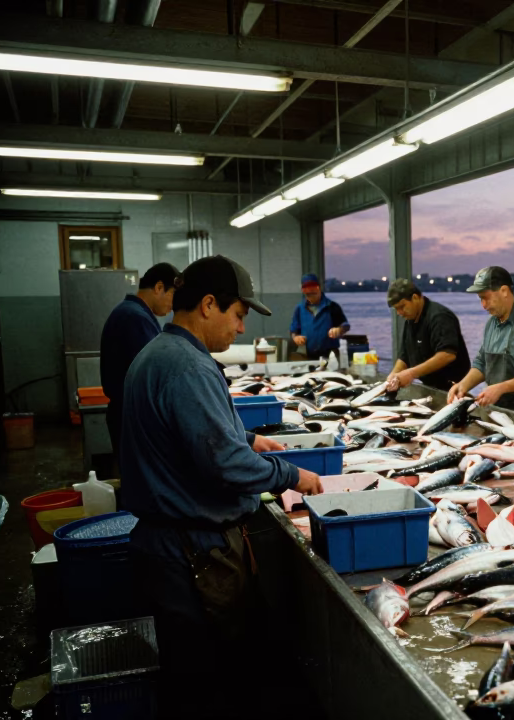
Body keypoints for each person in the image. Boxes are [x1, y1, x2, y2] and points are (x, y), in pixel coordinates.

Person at [121, 255, 323, 718]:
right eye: (237, 316)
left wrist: (249, 437)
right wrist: (294, 475)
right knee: (208, 680)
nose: (239, 331)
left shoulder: (163, 353)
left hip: (171, 544)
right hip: (190, 552)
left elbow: (188, 431)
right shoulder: (187, 366)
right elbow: (226, 465)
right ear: (209, 305)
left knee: (196, 672)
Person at [99, 262, 181, 461]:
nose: (173, 306)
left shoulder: (133, 312)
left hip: (129, 413)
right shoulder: (134, 317)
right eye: (173, 297)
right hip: (131, 417)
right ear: (159, 287)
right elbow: (154, 372)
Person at [448, 266, 514, 413]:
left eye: (485, 298)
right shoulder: (492, 323)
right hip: (497, 410)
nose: (483, 305)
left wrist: (501, 388)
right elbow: (482, 362)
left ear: (504, 291)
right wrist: (463, 385)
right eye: (480, 299)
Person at [384, 278, 471, 391]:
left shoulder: (440, 317)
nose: (399, 313)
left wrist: (411, 374)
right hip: (429, 386)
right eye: (396, 309)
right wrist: (394, 375)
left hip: (452, 387)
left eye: (402, 307)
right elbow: (404, 356)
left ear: (415, 298)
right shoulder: (410, 320)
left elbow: (447, 354)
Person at [290, 272, 349, 359]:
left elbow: (346, 325)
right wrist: (296, 338)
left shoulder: (332, 306)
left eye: (313, 289)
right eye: (307, 291)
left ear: (319, 288)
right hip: (308, 356)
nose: (310, 293)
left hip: (330, 356)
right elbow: (293, 331)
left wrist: (339, 330)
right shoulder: (299, 309)